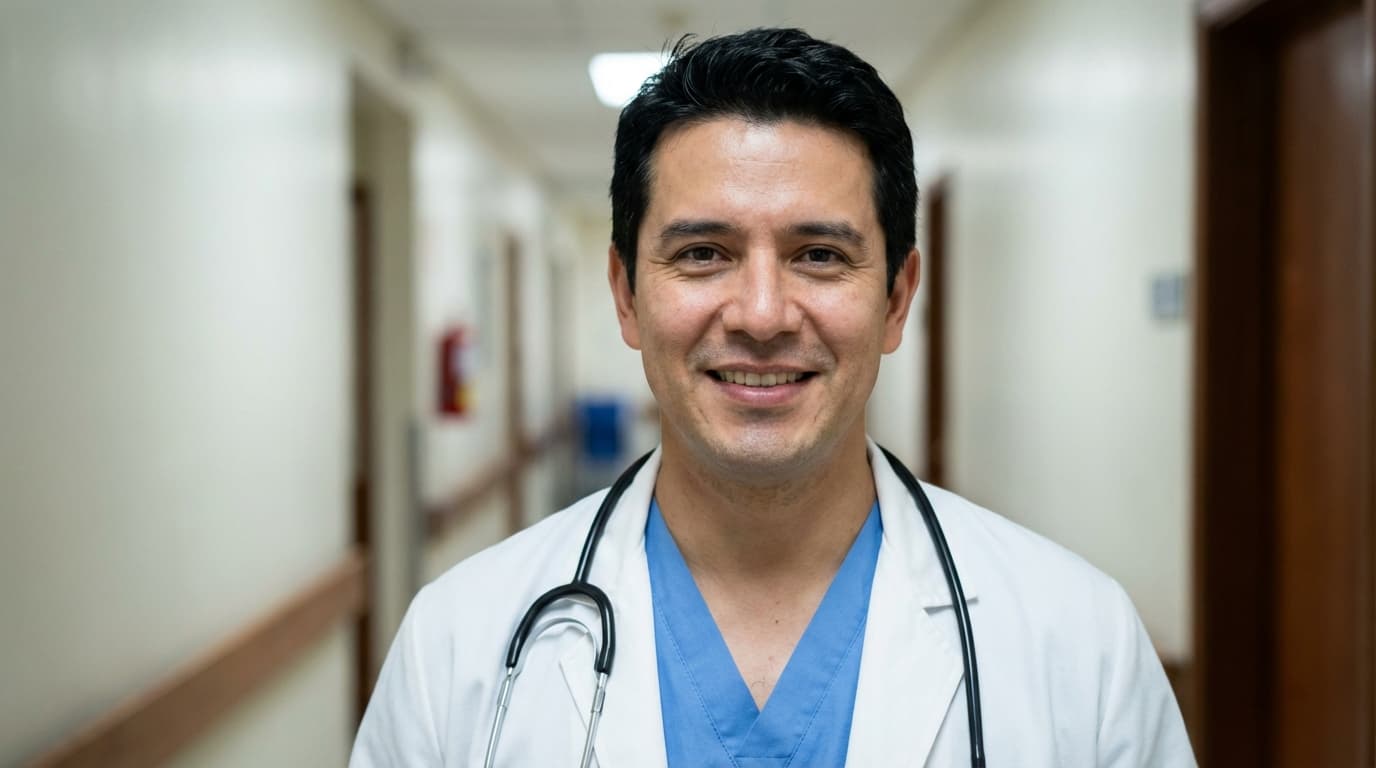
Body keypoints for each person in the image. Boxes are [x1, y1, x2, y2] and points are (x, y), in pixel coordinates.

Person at [350, 28, 1194, 767]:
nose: (761, 315)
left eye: (819, 255)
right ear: (625, 295)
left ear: (897, 299)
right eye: (703, 254)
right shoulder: (456, 647)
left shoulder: (1081, 647)